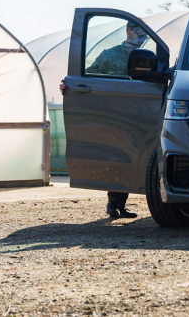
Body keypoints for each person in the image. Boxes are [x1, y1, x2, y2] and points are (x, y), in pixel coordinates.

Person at [60, 20, 149, 218]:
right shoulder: (110, 54)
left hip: (135, 115)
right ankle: (113, 204)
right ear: (128, 31)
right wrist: (68, 85)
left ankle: (120, 205)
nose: (142, 39)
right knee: (117, 157)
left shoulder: (145, 59)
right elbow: (89, 76)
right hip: (112, 114)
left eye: (145, 36)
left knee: (130, 158)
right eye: (139, 34)